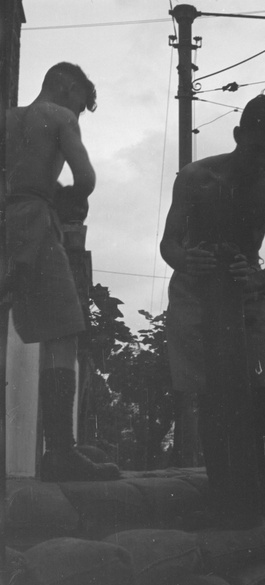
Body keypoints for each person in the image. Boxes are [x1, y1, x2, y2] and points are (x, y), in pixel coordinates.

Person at [160, 92, 265, 524]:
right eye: (255, 148)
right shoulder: (196, 177)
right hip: (195, 290)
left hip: (247, 291)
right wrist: (185, 259)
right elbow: (168, 242)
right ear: (238, 134)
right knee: (209, 392)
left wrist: (257, 280)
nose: (262, 159)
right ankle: (222, 493)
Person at [4, 62, 119, 481]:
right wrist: (68, 197)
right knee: (63, 330)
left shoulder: (7, 118)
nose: (80, 112)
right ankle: (59, 452)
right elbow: (85, 178)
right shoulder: (59, 116)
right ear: (67, 86)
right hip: (35, 222)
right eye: (80, 102)